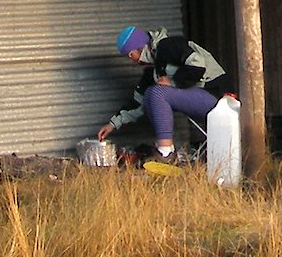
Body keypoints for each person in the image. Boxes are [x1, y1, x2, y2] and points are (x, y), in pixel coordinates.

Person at [96, 25, 234, 168]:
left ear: (136, 51)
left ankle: (166, 153)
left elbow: (198, 65)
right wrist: (112, 124)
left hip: (218, 98)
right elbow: (138, 103)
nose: (132, 60)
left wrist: (173, 82)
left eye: (130, 55)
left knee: (157, 92)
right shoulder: (154, 71)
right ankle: (167, 150)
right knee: (150, 93)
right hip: (199, 99)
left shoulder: (169, 46)